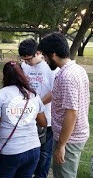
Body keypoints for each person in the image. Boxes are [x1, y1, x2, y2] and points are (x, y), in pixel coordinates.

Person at [37, 32, 90, 178]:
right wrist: (36, 104)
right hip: (68, 135)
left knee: (64, 175)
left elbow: (72, 113)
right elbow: (56, 94)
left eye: (45, 56)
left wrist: (61, 145)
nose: (45, 60)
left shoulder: (67, 77)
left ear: (53, 55)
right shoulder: (77, 69)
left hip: (69, 139)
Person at [0, 61, 47, 178]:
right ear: (22, 75)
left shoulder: (0, 95)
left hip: (9, 151)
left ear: (5, 76)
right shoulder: (33, 94)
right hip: (33, 148)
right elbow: (43, 122)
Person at [19, 38, 58, 178]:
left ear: (38, 53)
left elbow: (54, 92)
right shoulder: (24, 66)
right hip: (28, 115)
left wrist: (37, 105)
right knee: (28, 147)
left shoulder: (51, 68)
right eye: (24, 60)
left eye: (29, 59)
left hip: (46, 117)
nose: (27, 62)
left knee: (44, 152)